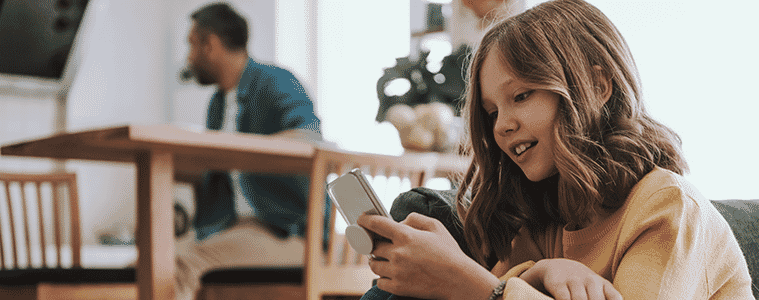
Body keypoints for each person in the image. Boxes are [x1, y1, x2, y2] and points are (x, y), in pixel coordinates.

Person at [357, 0, 754, 299]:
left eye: (522, 95)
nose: (502, 125)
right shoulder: (544, 215)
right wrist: (539, 272)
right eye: (491, 112)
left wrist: (475, 285)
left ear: (598, 87)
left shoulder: (668, 206)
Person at [175, 3, 323, 299]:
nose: (188, 58)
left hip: (285, 232)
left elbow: (309, 139)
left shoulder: (275, 81)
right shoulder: (218, 104)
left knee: (179, 265)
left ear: (210, 44)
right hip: (230, 228)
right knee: (145, 263)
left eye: (192, 46)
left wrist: (238, 151)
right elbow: (218, 173)